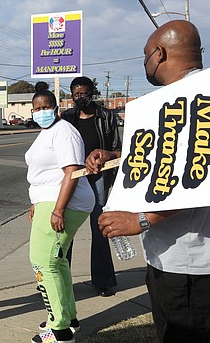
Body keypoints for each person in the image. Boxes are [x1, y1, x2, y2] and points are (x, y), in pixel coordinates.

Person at [90, 20, 210, 342]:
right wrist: (114, 155)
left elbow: (202, 176)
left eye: (145, 56)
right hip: (167, 261)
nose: (145, 64)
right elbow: (166, 158)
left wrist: (141, 219)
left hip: (200, 269)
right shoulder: (165, 104)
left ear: (159, 53)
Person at [26, 82, 94, 343]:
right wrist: (36, 202)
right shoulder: (47, 131)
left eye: (45, 107)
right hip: (48, 200)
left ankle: (59, 331)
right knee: (58, 261)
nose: (40, 111)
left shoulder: (64, 131)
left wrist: (58, 210)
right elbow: (44, 174)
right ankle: (67, 316)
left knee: (43, 262)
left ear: (56, 109)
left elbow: (71, 172)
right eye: (36, 108)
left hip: (63, 202)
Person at [61, 76, 122, 297]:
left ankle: (104, 281)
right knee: (66, 230)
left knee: (100, 227)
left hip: (97, 178)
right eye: (75, 94)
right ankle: (62, 281)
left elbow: (118, 149)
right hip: (73, 178)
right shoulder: (67, 117)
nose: (79, 98)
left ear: (92, 93)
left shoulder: (106, 116)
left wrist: (105, 157)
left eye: (83, 94)